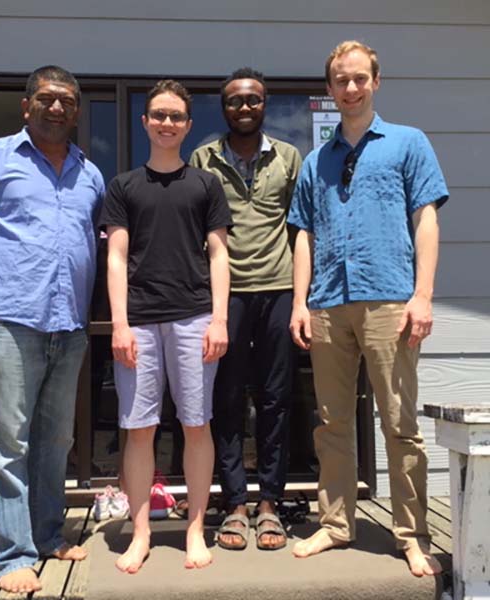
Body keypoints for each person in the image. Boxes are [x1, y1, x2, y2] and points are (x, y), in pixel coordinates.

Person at [0, 65, 104, 593]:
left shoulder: (90, 174)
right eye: (48, 99)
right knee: (8, 440)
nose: (58, 109)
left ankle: (49, 534)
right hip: (12, 321)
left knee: (56, 439)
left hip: (70, 324)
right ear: (26, 105)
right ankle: (12, 555)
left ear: (77, 112)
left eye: (68, 102)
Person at [288, 41, 449, 576]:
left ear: (376, 82)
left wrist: (422, 294)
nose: (350, 88)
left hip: (390, 300)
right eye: (340, 80)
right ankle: (336, 525)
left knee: (400, 423)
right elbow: (304, 235)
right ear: (330, 88)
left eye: (359, 78)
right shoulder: (316, 160)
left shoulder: (408, 143)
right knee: (332, 422)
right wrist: (300, 303)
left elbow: (426, 218)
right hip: (329, 304)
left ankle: (412, 534)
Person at [101, 79, 231, 573]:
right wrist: (119, 324)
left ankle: (196, 529)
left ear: (188, 125)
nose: (167, 123)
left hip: (196, 318)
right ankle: (141, 533)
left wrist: (219, 318)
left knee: (197, 425)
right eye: (159, 114)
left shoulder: (204, 184)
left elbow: (220, 254)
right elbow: (115, 257)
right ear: (145, 121)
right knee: (139, 430)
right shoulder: (124, 186)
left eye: (176, 116)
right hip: (138, 322)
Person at [190, 68, 301, 550]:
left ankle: (270, 504)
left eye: (252, 100)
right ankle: (234, 504)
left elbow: (302, 234)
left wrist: (303, 300)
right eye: (234, 101)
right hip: (225, 296)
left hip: (278, 290)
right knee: (227, 399)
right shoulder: (202, 157)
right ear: (224, 108)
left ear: (265, 104)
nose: (244, 108)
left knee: (277, 399)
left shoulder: (290, 157)